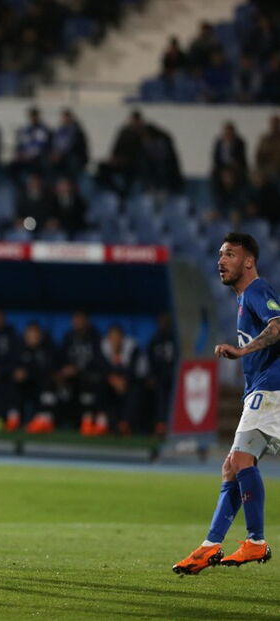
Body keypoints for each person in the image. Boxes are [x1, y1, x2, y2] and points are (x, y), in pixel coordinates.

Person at [173, 232, 279, 575]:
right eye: (220, 255)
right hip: (260, 390)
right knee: (231, 466)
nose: (221, 260)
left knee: (241, 458)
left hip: (272, 389)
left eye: (230, 254)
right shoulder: (243, 299)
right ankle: (209, 547)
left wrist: (242, 351)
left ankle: (256, 541)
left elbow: (278, 327)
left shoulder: (257, 291)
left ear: (249, 261)